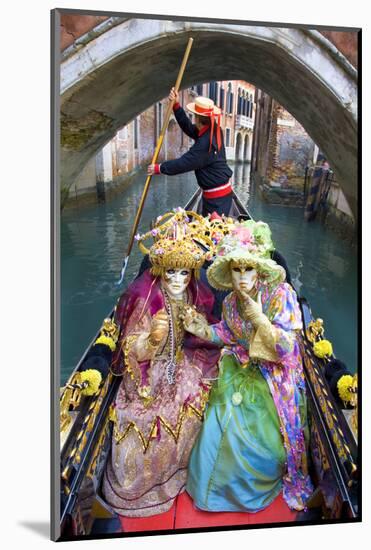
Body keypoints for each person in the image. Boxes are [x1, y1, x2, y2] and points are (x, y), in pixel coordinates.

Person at [182, 220, 313, 512]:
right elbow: (228, 335)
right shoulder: (229, 302)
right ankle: (211, 491)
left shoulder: (281, 295)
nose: (242, 277)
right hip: (240, 365)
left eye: (248, 269)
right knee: (219, 418)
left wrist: (260, 320)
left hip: (275, 373)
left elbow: (287, 349)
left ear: (259, 269)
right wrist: (202, 329)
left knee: (261, 443)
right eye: (237, 270)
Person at [101, 210, 220, 517]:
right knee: (149, 421)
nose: (179, 280)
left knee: (205, 396)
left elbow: (201, 329)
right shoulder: (147, 299)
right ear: (160, 270)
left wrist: (195, 325)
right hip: (148, 372)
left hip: (180, 362)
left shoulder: (192, 294)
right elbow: (131, 346)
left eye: (184, 273)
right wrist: (153, 340)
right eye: (172, 273)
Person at [148, 88, 233, 217]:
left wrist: (159, 168)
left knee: (212, 235)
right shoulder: (214, 129)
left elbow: (183, 163)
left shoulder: (205, 143)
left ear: (198, 118)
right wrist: (176, 106)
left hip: (217, 202)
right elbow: (189, 128)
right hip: (218, 196)